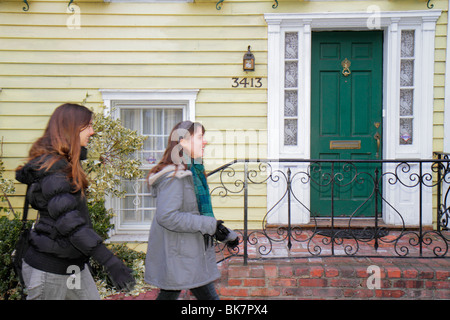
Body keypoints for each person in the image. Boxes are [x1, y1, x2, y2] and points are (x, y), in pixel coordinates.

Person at [15, 103, 135, 300]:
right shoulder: (55, 173)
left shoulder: (65, 166)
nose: (92, 131)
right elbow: (71, 225)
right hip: (51, 270)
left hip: (73, 265)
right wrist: (109, 261)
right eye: (87, 126)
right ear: (70, 128)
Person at [144, 120, 238, 300]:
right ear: (183, 142)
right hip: (181, 254)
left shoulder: (193, 171)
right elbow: (167, 216)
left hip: (188, 252)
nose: (205, 141)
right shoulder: (175, 176)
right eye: (200, 137)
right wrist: (211, 225)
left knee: (171, 294)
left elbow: (196, 213)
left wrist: (224, 232)